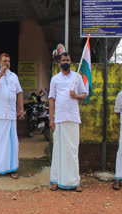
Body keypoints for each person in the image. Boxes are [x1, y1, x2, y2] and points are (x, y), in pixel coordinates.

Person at [48, 52, 87, 192]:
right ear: (59, 62)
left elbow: (84, 94)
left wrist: (76, 95)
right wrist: (51, 119)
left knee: (72, 150)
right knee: (58, 150)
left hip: (73, 118)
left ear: (71, 62)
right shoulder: (55, 79)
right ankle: (56, 181)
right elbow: (51, 99)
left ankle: (75, 181)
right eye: (63, 59)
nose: (65, 61)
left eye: (68, 60)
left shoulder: (77, 77)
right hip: (59, 119)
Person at [0, 53, 24, 179]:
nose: (6, 63)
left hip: (11, 115)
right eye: (4, 61)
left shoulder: (14, 77)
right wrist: (0, 75)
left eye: (8, 61)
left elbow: (19, 93)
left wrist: (21, 109)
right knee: (0, 143)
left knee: (13, 143)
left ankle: (12, 168)